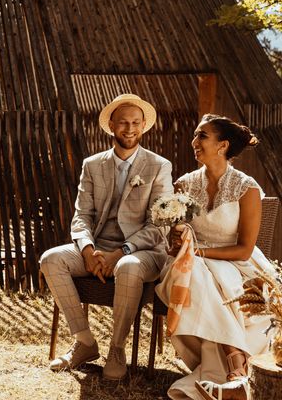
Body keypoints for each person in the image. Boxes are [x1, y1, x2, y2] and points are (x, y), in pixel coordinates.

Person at [39, 94, 173, 380]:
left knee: (128, 266)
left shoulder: (159, 166)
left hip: (143, 251)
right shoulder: (92, 164)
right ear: (111, 125)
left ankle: (117, 349)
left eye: (135, 122)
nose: (129, 128)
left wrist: (121, 252)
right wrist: (87, 250)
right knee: (51, 259)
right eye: (123, 122)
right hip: (99, 246)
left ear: (144, 125)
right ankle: (85, 342)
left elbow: (158, 226)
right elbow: (81, 215)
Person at [156, 114, 274, 400]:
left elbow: (245, 248)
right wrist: (176, 238)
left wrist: (199, 252)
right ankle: (236, 366)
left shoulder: (247, 188)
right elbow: (177, 233)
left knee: (209, 278)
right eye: (196, 136)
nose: (194, 142)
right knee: (193, 271)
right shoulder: (184, 185)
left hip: (236, 262)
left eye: (202, 136)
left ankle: (227, 375)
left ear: (222, 146)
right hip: (188, 264)